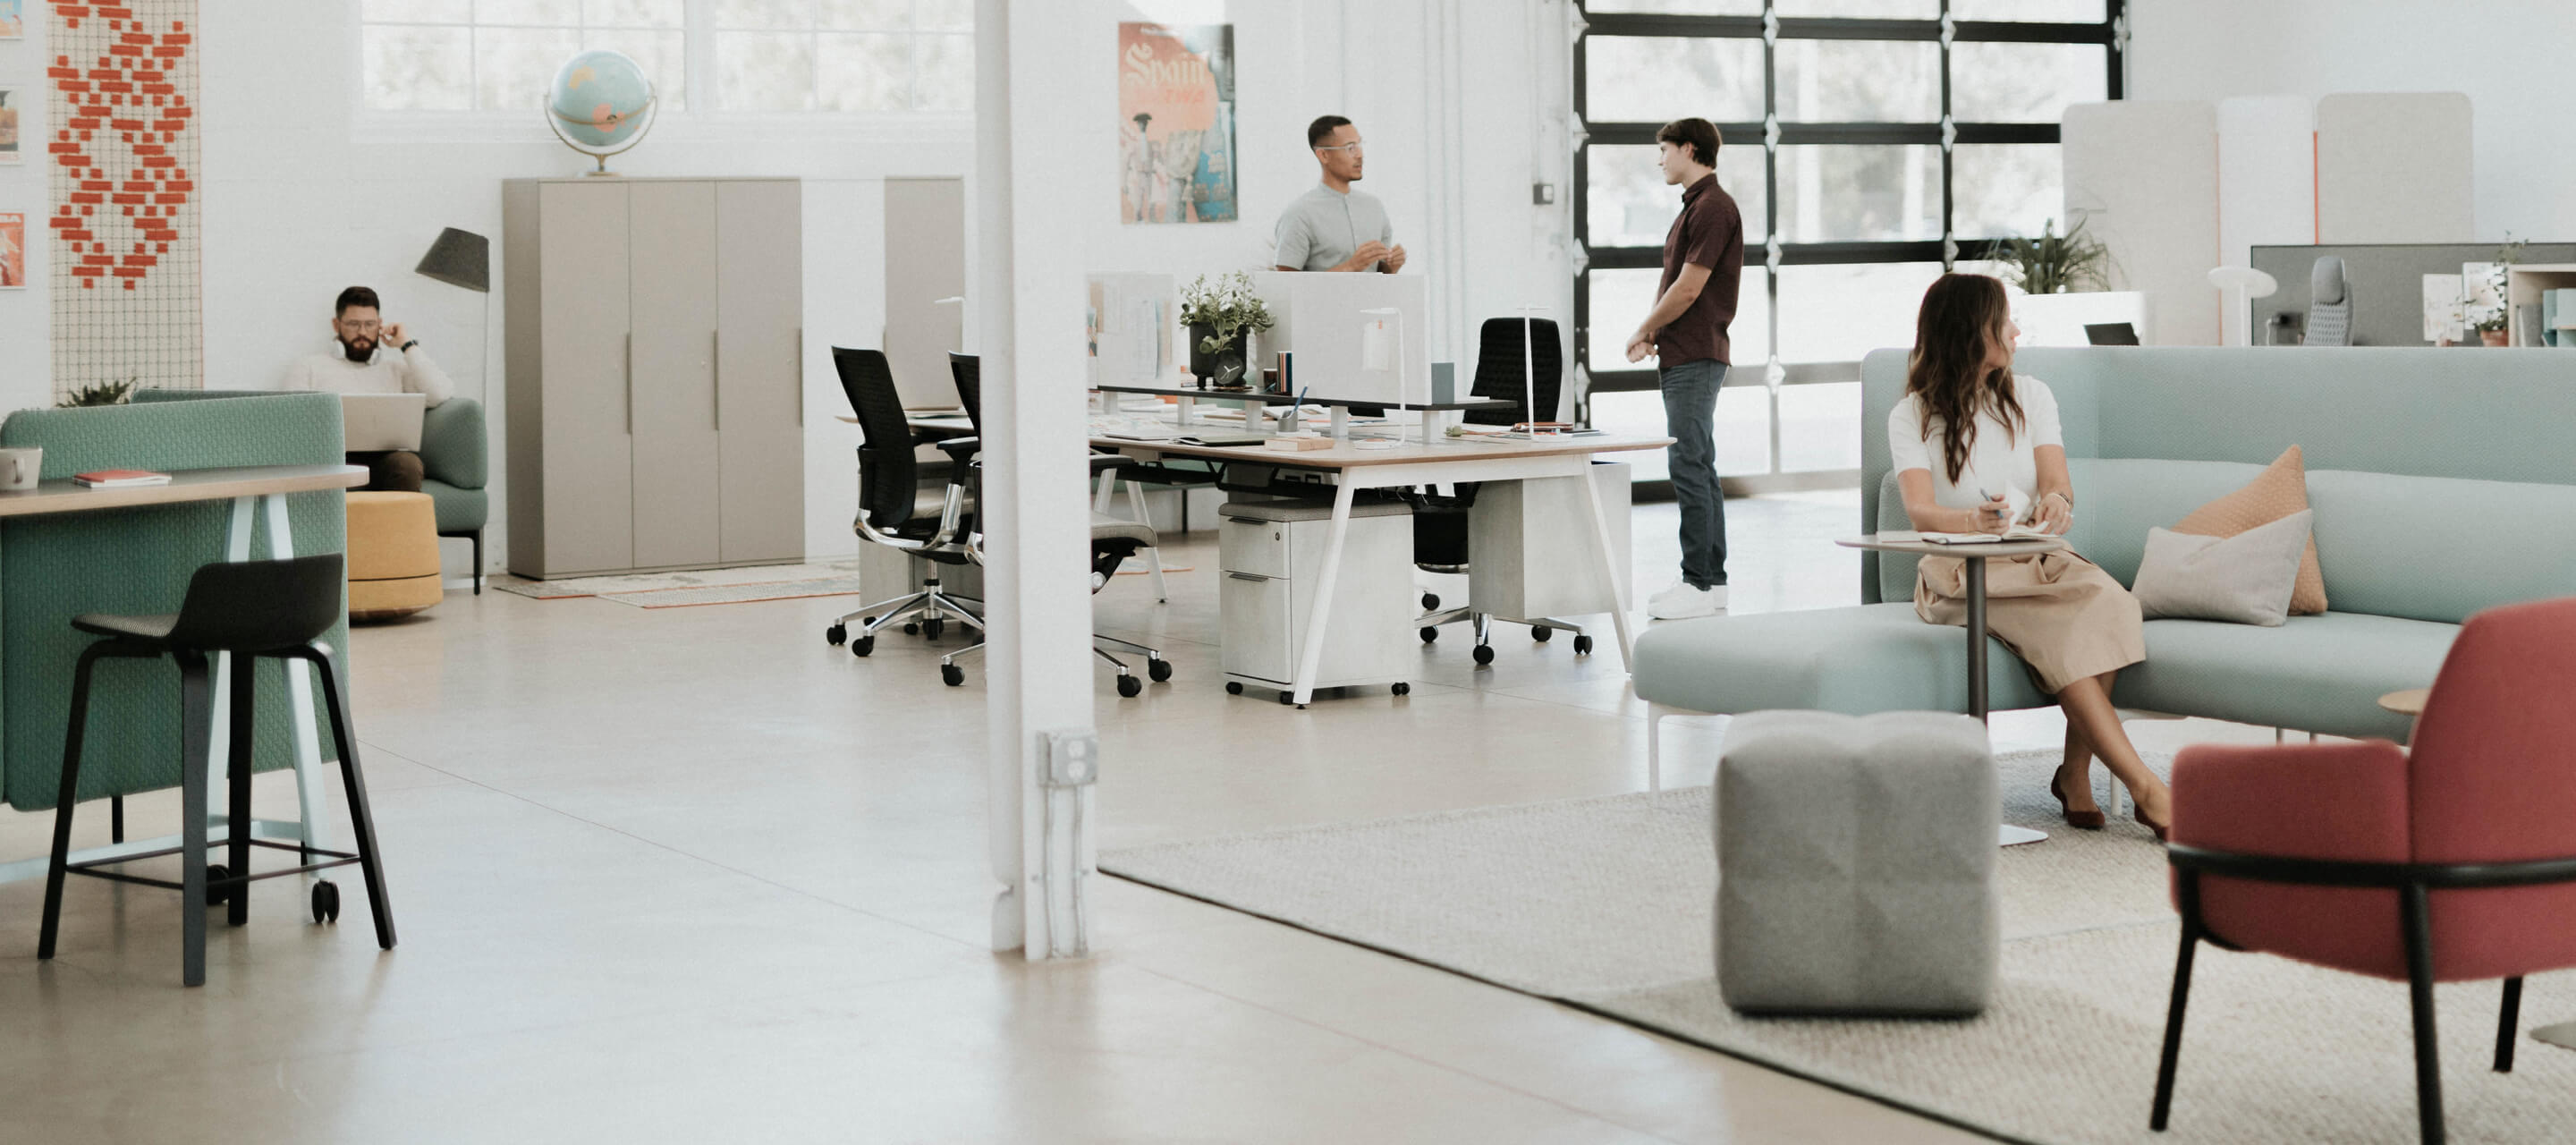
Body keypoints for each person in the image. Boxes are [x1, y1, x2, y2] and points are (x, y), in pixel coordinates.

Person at [1890, 272, 2172, 839]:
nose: (2016, 331)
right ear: (1973, 331)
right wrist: (1973, 520)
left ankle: (2074, 771)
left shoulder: (2033, 395)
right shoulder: (1913, 415)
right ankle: (2148, 789)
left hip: (2036, 559)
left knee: (2112, 604)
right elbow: (1920, 511)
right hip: (1960, 573)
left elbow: (2056, 483)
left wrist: (2056, 505)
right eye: (2005, 320)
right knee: (2057, 630)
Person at [1626, 118, 1743, 620]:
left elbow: (1689, 289)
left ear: (1689, 149)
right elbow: (1679, 284)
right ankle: (1711, 583)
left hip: (1696, 353)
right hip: (1686, 350)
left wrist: (1642, 327)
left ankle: (1696, 582)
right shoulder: (1698, 207)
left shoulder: (1713, 207)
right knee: (1699, 463)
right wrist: (1657, 331)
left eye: (1665, 150)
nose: (1660, 160)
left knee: (1688, 465)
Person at [282, 285, 454, 493]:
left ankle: (400, 526)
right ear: (337, 325)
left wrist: (406, 345)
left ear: (380, 325)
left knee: (407, 464)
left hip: (386, 459)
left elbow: (440, 394)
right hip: (332, 460)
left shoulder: (396, 369)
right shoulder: (308, 367)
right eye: (354, 324)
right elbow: (291, 421)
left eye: (370, 324)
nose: (362, 332)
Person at [1274, 115, 1407, 274]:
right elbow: (1286, 286)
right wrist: (1350, 267)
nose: (1360, 155)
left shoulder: (1374, 207)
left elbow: (1382, 275)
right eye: (1350, 147)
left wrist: (1392, 266)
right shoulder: (1299, 213)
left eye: (1359, 144)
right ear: (1323, 155)